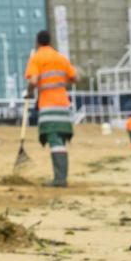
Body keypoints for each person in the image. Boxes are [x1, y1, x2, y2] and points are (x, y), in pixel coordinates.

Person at [25, 30, 78, 187]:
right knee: (60, 139)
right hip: (63, 105)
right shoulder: (60, 58)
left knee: (54, 139)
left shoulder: (37, 58)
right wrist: (61, 83)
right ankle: (60, 177)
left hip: (48, 105)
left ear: (38, 42)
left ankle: (60, 179)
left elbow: (34, 80)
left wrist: (29, 92)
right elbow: (76, 77)